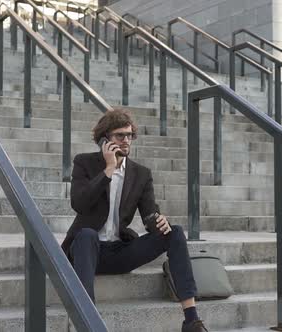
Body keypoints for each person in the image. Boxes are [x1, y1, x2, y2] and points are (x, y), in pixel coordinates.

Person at [61, 109, 208, 332]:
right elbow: (80, 203)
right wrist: (108, 169)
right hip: (87, 251)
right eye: (120, 135)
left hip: (120, 251)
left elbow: (148, 215)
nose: (126, 140)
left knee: (175, 232)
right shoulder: (85, 163)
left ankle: (191, 320)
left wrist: (158, 221)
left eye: (130, 135)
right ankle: (87, 322)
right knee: (87, 235)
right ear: (104, 139)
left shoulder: (141, 173)